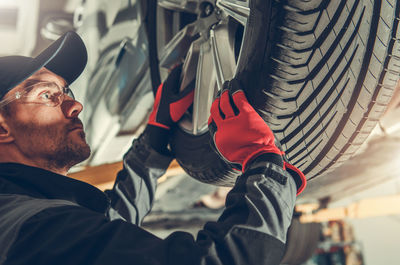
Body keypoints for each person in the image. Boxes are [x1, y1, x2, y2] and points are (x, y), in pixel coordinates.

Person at [0, 31, 306, 265]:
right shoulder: (35, 230)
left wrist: (155, 138)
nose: (75, 104)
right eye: (46, 95)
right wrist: (263, 162)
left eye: (66, 91)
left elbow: (108, 222)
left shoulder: (27, 215)